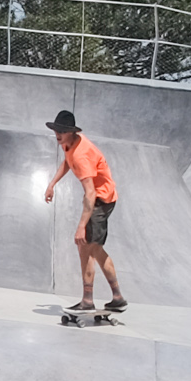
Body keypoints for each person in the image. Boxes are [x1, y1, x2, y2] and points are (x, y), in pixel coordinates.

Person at [41, 107, 125, 314]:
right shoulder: (70, 143)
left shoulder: (81, 155)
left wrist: (81, 227)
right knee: (91, 248)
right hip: (100, 198)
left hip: (100, 199)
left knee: (87, 246)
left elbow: (90, 193)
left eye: (62, 131)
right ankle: (117, 298)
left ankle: (89, 300)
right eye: (56, 130)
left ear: (71, 131)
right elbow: (67, 162)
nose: (58, 135)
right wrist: (52, 183)